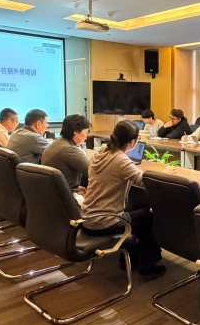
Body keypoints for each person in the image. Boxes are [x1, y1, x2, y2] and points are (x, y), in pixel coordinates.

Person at [82, 121, 165, 280]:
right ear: (133, 142)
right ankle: (147, 266)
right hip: (106, 222)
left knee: (137, 209)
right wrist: (166, 176)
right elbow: (144, 182)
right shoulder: (120, 160)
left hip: (88, 218)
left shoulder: (99, 154)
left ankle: (128, 259)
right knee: (149, 217)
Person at [41, 114, 90, 193]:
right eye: (86, 132)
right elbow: (92, 171)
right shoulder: (69, 150)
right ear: (75, 131)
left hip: (54, 192)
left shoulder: (55, 144)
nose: (86, 136)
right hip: (65, 195)